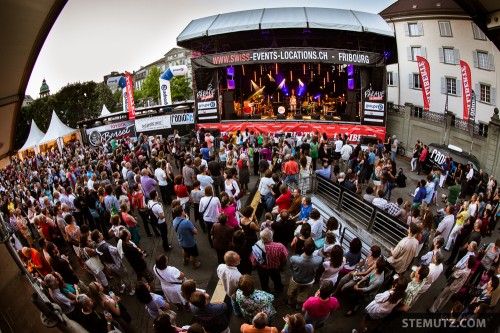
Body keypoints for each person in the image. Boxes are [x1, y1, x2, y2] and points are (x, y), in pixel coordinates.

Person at [91, 230, 134, 295]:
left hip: (109, 267)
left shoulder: (96, 248)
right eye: (100, 234)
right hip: (117, 265)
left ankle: (121, 289)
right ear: (99, 238)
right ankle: (131, 290)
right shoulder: (107, 246)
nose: (102, 233)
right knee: (125, 277)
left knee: (116, 278)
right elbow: (117, 251)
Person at [286, 238, 323, 310]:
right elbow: (321, 256)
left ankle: (290, 302)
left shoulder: (294, 258)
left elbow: (290, 265)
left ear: (303, 248)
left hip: (296, 279)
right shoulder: (318, 260)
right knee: (303, 294)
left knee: (292, 291)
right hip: (309, 281)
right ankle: (298, 306)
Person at [250, 229, 289, 293]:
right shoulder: (280, 246)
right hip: (275, 268)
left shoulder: (256, 247)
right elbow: (285, 258)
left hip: (262, 269)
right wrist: (281, 264)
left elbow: (253, 263)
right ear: (271, 236)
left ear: (261, 238)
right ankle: (279, 289)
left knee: (264, 282)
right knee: (277, 280)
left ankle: (266, 291)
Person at [172, 204, 201, 269]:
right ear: (182, 212)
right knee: (193, 255)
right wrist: (188, 221)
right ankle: (194, 265)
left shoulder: (174, 221)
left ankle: (185, 261)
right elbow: (195, 232)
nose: (184, 211)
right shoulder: (186, 222)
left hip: (181, 241)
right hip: (190, 242)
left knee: (185, 250)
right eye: (183, 210)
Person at [217, 251, 242, 317]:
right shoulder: (237, 276)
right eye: (238, 259)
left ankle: (237, 312)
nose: (240, 259)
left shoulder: (220, 266)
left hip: (227, 290)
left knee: (233, 302)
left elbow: (219, 276)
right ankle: (238, 313)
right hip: (234, 293)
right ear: (232, 263)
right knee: (235, 302)